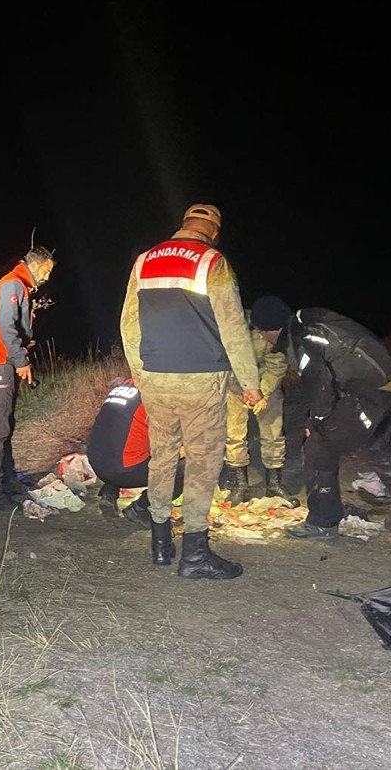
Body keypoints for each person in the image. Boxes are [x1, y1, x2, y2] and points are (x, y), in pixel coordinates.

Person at [119, 202, 262, 580]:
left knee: (162, 457)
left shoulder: (145, 261)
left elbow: (129, 327)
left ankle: (161, 544)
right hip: (200, 379)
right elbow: (233, 328)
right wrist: (250, 384)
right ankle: (195, 554)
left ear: (182, 226)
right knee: (202, 462)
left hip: (155, 379)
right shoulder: (212, 261)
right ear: (214, 231)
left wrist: (141, 374)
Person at [277, 302, 391, 539]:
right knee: (379, 446)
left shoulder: (301, 335)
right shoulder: (311, 320)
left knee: (318, 444)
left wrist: (316, 421)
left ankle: (323, 522)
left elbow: (321, 386)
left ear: (270, 329)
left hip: (372, 390)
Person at [0, 244, 56, 511]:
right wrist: (20, 361)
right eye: (47, 270)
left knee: (6, 425)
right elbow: (5, 325)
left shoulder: (19, 285)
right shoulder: (12, 284)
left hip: (3, 362)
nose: (47, 277)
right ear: (35, 265)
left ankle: (8, 480)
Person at [218, 295, 296, 507]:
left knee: (273, 433)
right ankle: (239, 485)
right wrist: (243, 387)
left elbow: (277, 364)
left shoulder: (277, 331)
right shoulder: (235, 325)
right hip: (235, 384)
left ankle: (274, 485)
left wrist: (263, 392)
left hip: (265, 383)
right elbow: (225, 358)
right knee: (234, 434)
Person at [85, 377, 185, 527]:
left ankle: (109, 491)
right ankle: (139, 508)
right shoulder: (162, 398)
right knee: (186, 468)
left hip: (96, 462)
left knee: (123, 436)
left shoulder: (128, 383)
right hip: (124, 471)